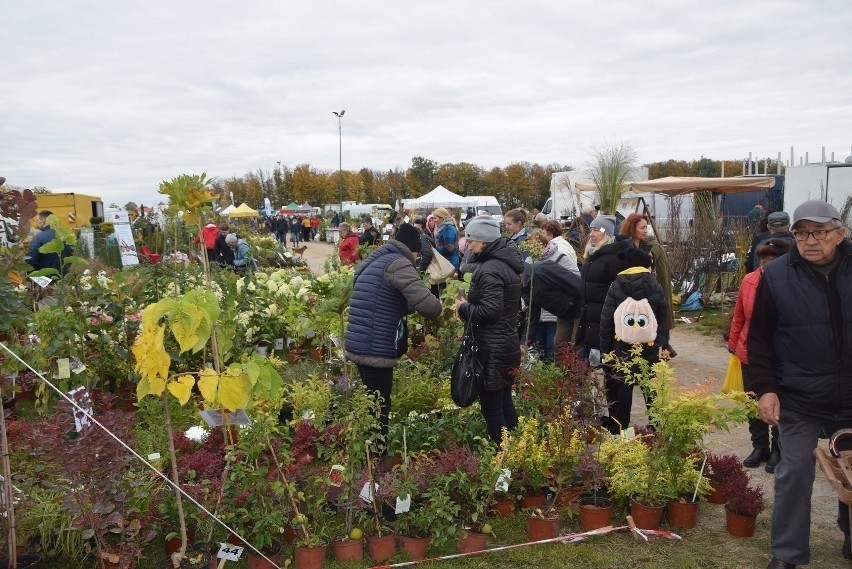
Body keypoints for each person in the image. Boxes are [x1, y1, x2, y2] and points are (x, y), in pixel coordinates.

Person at [748, 200, 852, 568]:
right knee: (793, 471)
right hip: (798, 393)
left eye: (820, 232)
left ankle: (850, 532)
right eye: (802, 232)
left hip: (850, 395)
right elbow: (758, 338)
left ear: (840, 234)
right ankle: (787, 555)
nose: (810, 240)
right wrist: (767, 388)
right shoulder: (776, 276)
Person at [345, 223, 442, 447]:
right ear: (413, 250)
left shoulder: (379, 260)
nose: (418, 259)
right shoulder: (399, 263)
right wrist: (442, 304)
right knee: (380, 408)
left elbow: (384, 299)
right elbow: (430, 307)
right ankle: (375, 461)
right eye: (418, 255)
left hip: (360, 342)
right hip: (375, 347)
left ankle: (369, 451)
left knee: (372, 404)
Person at [454, 215, 523, 444]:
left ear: (484, 242)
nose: (468, 245)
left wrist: (464, 308)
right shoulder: (504, 265)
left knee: (492, 407)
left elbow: (490, 311)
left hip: (491, 348)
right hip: (505, 343)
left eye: (472, 240)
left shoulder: (490, 270)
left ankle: (502, 455)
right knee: (504, 401)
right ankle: (517, 447)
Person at [728, 238, 792, 472]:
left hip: (780, 355)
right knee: (751, 401)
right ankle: (759, 446)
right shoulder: (749, 280)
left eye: (770, 262)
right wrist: (734, 343)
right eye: (761, 261)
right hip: (750, 352)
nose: (764, 267)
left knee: (778, 402)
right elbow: (739, 315)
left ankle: (778, 449)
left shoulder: (790, 284)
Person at [599, 246, 664, 433]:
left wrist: (606, 349)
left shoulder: (616, 285)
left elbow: (607, 319)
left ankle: (622, 425)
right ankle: (655, 422)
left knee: (624, 384)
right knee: (648, 381)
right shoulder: (654, 284)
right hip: (648, 344)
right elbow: (662, 312)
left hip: (622, 344)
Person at [576, 215, 637, 363]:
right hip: (589, 320)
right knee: (590, 363)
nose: (592, 234)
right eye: (591, 230)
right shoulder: (592, 256)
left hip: (605, 321)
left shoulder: (612, 259)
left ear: (607, 233)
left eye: (597, 230)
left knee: (605, 365)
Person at [619, 213, 676, 357]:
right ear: (632, 228)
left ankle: (663, 348)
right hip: (637, 292)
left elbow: (651, 270)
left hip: (653, 290)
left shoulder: (650, 246)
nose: (645, 230)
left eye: (646, 227)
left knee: (657, 319)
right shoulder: (626, 245)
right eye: (642, 227)